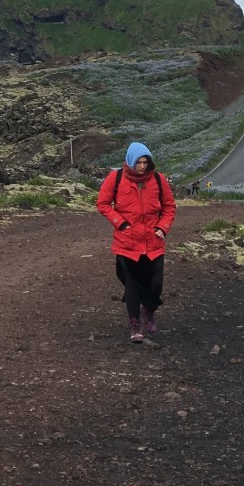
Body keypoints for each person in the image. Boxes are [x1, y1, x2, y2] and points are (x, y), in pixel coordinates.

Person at [97, 141, 177, 342]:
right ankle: (134, 324)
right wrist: (120, 223)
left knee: (155, 284)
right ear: (131, 161)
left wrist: (163, 227)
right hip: (127, 244)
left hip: (153, 243)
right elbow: (103, 203)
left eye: (145, 162)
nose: (142, 166)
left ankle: (149, 309)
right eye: (139, 162)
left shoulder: (158, 180)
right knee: (131, 285)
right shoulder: (115, 178)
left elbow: (169, 206)